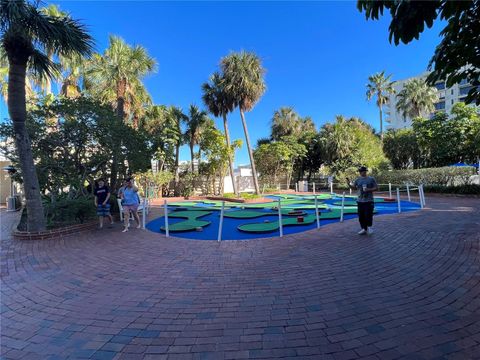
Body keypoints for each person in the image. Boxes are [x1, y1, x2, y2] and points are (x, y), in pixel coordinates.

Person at [347, 166, 378, 235]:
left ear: (365, 171)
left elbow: (376, 188)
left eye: (363, 171)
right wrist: (349, 184)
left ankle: (369, 227)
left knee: (368, 214)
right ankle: (364, 228)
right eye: (360, 172)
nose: (361, 173)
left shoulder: (371, 179)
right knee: (361, 216)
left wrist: (369, 189)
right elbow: (354, 188)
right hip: (360, 200)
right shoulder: (358, 180)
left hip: (369, 200)